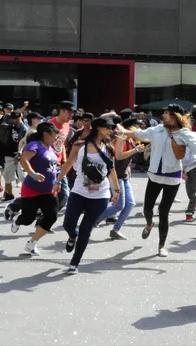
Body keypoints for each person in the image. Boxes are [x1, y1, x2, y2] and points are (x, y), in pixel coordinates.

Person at [135, 104, 196, 257]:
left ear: (176, 116)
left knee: (163, 212)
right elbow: (140, 134)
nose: (163, 115)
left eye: (167, 113)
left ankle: (161, 246)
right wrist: (124, 130)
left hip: (172, 177)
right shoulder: (158, 129)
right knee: (147, 209)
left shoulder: (184, 133)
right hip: (154, 175)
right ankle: (149, 223)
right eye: (164, 112)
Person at [61, 117, 121, 273]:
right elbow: (68, 163)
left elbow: (112, 170)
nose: (111, 131)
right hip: (79, 191)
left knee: (86, 229)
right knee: (68, 224)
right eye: (108, 128)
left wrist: (116, 190)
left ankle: (74, 263)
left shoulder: (109, 148)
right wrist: (57, 180)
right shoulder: (79, 145)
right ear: (99, 128)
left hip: (100, 195)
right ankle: (72, 235)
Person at [12, 121, 62, 256]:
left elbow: (54, 168)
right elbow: (24, 160)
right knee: (28, 219)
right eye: (54, 135)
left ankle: (32, 243)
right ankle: (18, 219)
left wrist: (58, 182)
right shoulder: (34, 145)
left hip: (49, 190)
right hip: (32, 189)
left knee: (51, 216)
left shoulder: (50, 148)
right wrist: (33, 174)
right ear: (46, 134)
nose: (56, 138)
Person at [99, 118, 142, 240]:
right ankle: (91, 222)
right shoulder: (122, 137)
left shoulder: (131, 139)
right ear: (130, 128)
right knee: (119, 205)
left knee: (130, 204)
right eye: (137, 126)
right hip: (116, 175)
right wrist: (136, 149)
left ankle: (115, 230)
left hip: (124, 175)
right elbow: (118, 156)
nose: (139, 129)